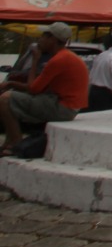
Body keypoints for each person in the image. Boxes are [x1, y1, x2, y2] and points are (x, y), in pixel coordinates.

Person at [0, 22, 88, 155]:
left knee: (5, 99)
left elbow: (32, 89)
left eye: (43, 36)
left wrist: (35, 61)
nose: (39, 40)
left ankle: (16, 142)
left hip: (63, 108)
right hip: (67, 105)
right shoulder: (66, 56)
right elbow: (37, 87)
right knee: (13, 97)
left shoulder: (58, 60)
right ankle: (9, 141)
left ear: (52, 39)